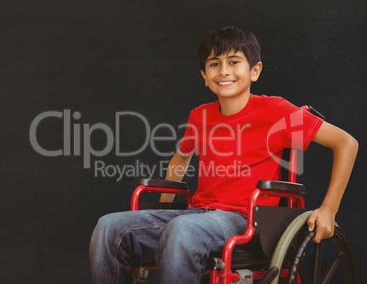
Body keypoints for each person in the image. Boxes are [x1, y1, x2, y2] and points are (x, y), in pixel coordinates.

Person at [89, 26, 358, 284]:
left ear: (255, 71)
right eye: (214, 64)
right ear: (204, 76)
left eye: (233, 62)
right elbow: (181, 158)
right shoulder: (200, 116)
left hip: (245, 219)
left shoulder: (277, 111)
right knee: (110, 228)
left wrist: (328, 210)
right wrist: (164, 208)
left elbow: (346, 143)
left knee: (182, 230)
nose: (223, 71)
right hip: (197, 214)